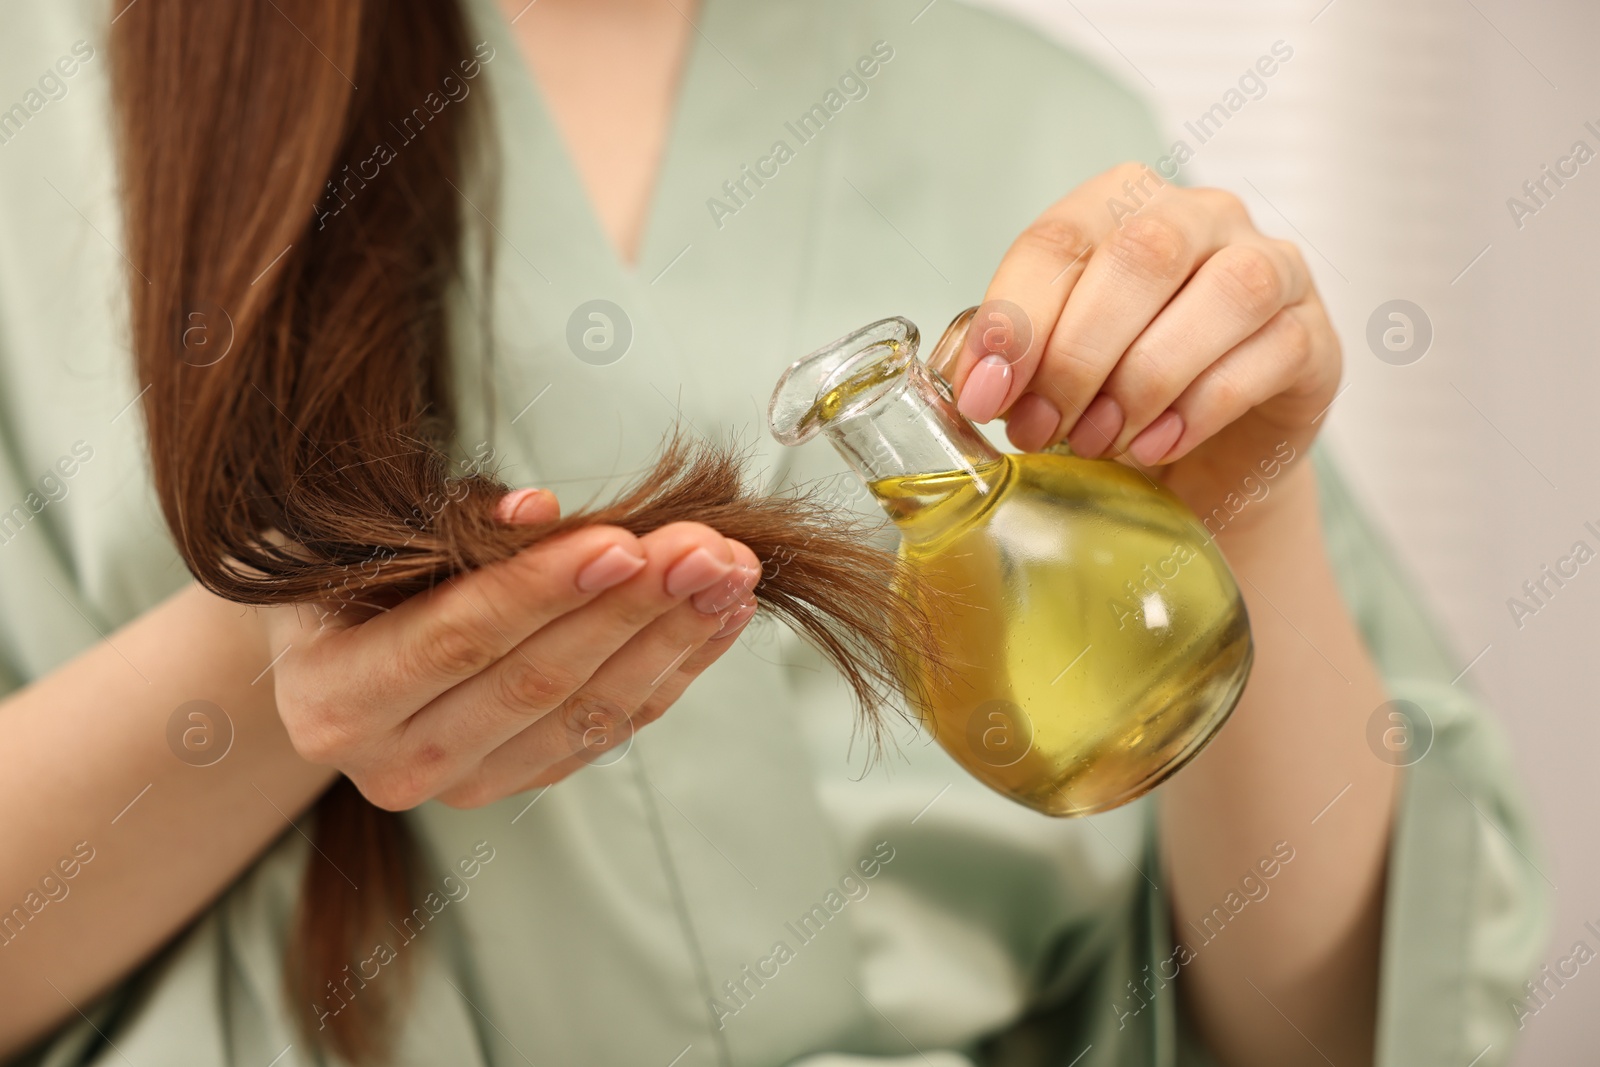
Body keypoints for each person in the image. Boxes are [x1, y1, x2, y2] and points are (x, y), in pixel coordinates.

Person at [0, 0, 1546, 1064]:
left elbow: (1352, 1034)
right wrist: (273, 680)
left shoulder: (1047, 133)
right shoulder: (45, 106)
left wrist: (1246, 509)